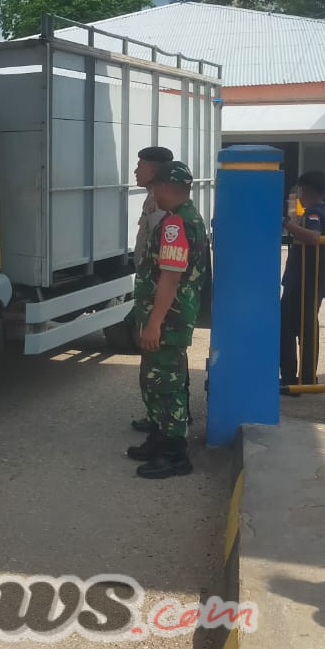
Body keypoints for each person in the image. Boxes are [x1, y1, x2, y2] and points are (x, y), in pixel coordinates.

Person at [126, 161, 209, 478]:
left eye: (155, 185)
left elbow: (171, 278)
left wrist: (154, 322)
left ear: (164, 186)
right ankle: (160, 439)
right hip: (169, 316)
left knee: (167, 385)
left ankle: (175, 454)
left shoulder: (176, 224)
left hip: (169, 318)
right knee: (156, 379)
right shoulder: (187, 218)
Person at [109, 146, 174, 357]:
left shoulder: (161, 204)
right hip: (151, 287)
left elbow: (167, 262)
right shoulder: (152, 199)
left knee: (159, 359)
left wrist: (156, 317)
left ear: (153, 171)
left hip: (157, 290)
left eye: (140, 165)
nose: (136, 170)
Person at [280, 170, 325, 391]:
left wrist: (286, 223)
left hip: (304, 279)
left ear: (304, 190)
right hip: (311, 279)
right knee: (307, 327)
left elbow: (313, 237)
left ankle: (293, 380)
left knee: (289, 328)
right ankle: (307, 378)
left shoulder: (313, 213)